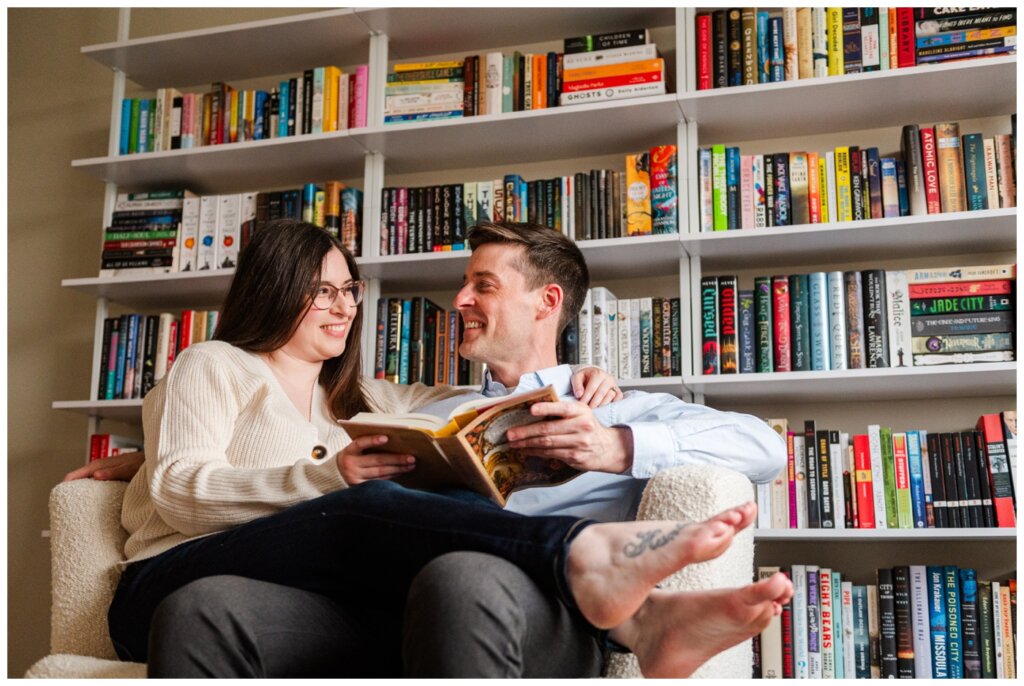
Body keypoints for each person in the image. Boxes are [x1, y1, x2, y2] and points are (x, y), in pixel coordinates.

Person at [97, 218, 790, 678]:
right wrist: (145, 453)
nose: (458, 298)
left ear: (547, 302)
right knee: (209, 603)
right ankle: (594, 567)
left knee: (455, 572)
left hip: (525, 606)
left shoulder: (620, 407)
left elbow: (764, 447)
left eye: (481, 285)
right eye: (464, 284)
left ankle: (602, 580)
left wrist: (620, 445)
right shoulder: (433, 408)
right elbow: (282, 445)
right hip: (379, 600)